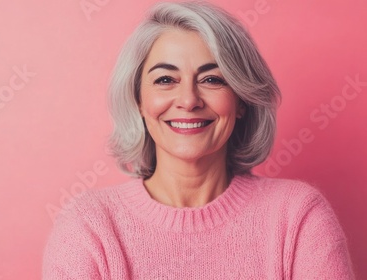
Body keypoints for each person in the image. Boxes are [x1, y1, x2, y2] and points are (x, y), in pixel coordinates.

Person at [43, 1, 356, 279]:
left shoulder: (297, 216)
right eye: (166, 79)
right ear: (139, 99)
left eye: (212, 79)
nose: (189, 100)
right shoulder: (89, 226)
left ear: (242, 100)